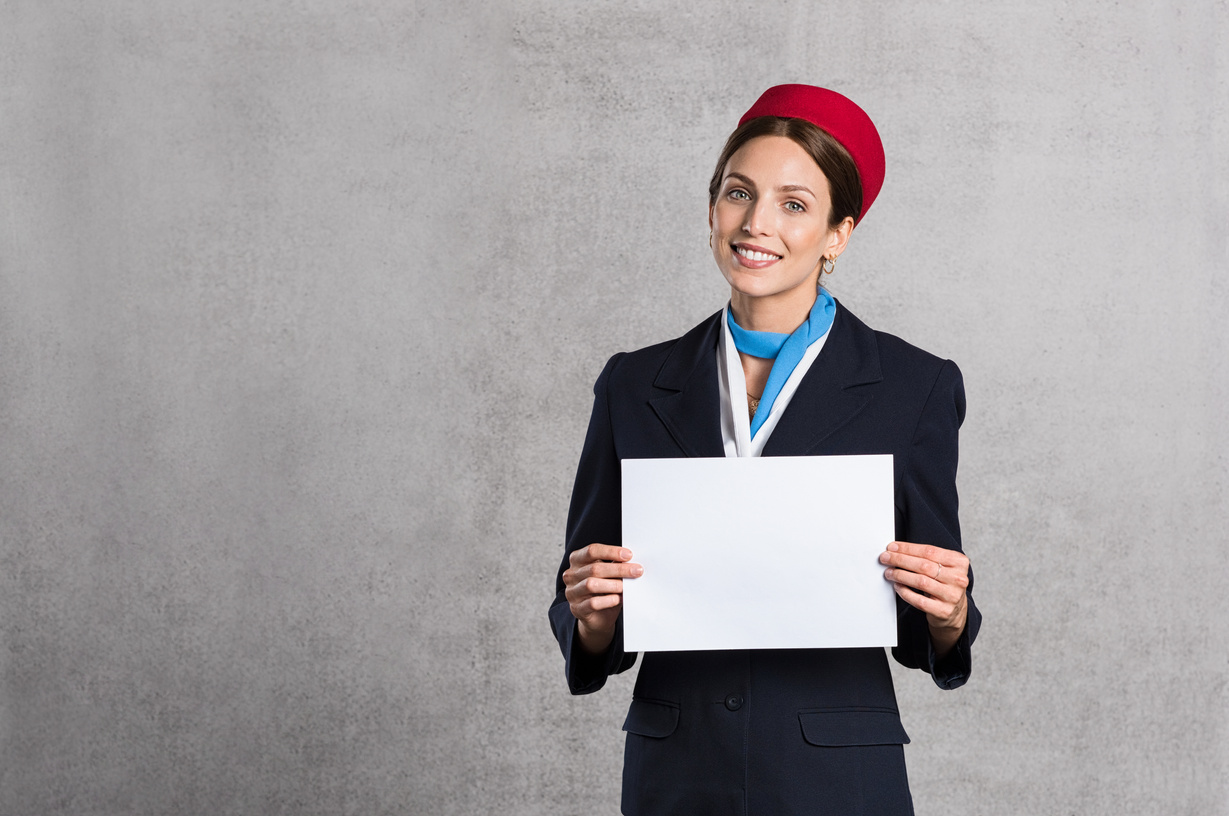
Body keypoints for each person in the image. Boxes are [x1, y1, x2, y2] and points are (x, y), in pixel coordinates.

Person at [548, 84, 981, 816]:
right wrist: (588, 618)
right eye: (737, 193)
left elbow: (927, 619)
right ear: (711, 207)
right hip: (676, 773)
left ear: (838, 233)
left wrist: (948, 612)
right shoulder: (632, 383)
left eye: (793, 203)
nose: (755, 224)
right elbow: (589, 603)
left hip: (836, 777)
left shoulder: (914, 387)